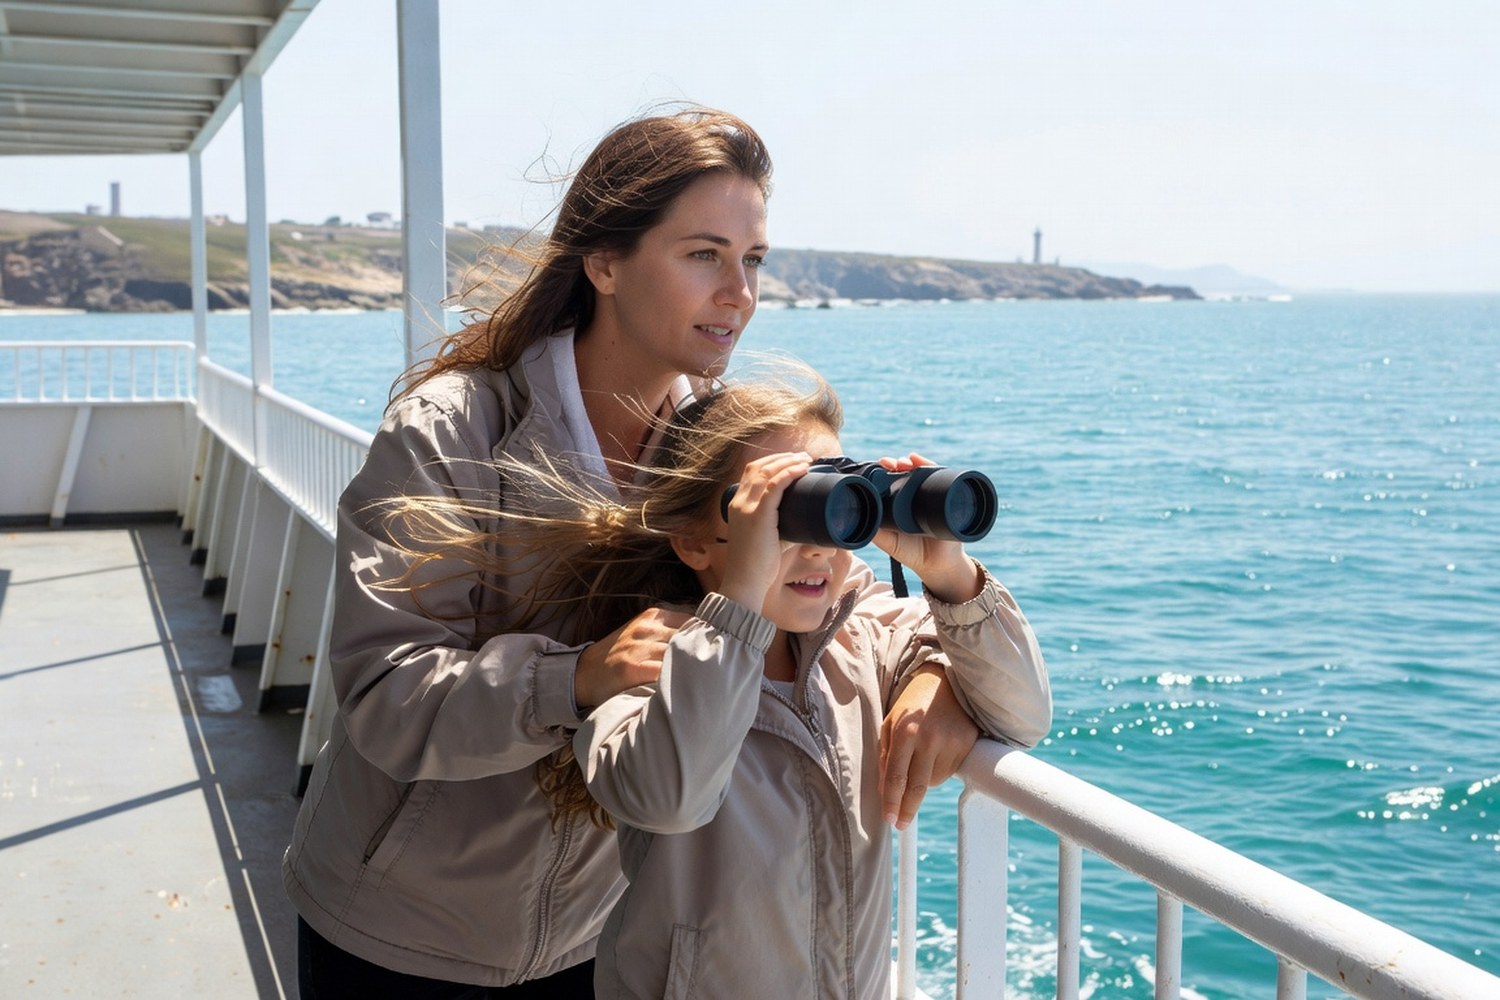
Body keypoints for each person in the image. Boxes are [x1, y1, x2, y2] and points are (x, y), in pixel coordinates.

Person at [282, 105, 1050, 996]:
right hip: (404, 930)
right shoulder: (458, 429)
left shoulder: (720, 449)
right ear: (603, 261)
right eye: (704, 255)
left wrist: (932, 677)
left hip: (594, 934)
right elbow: (385, 691)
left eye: (752, 259)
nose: (741, 293)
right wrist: (572, 679)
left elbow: (838, 608)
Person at [458, 368, 1050, 998]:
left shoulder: (860, 637)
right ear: (694, 542)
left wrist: (951, 577)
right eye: (783, 517)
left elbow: (1023, 714)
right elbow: (670, 796)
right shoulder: (643, 665)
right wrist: (737, 605)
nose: (818, 549)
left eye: (836, 507)